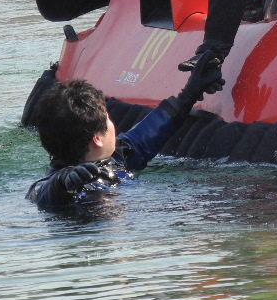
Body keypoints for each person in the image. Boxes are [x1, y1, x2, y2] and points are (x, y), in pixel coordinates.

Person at [26, 51, 224, 207]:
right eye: (108, 119)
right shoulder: (59, 183)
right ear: (97, 138)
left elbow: (146, 135)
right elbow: (42, 193)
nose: (113, 125)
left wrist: (190, 92)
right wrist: (62, 184)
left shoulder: (117, 158)